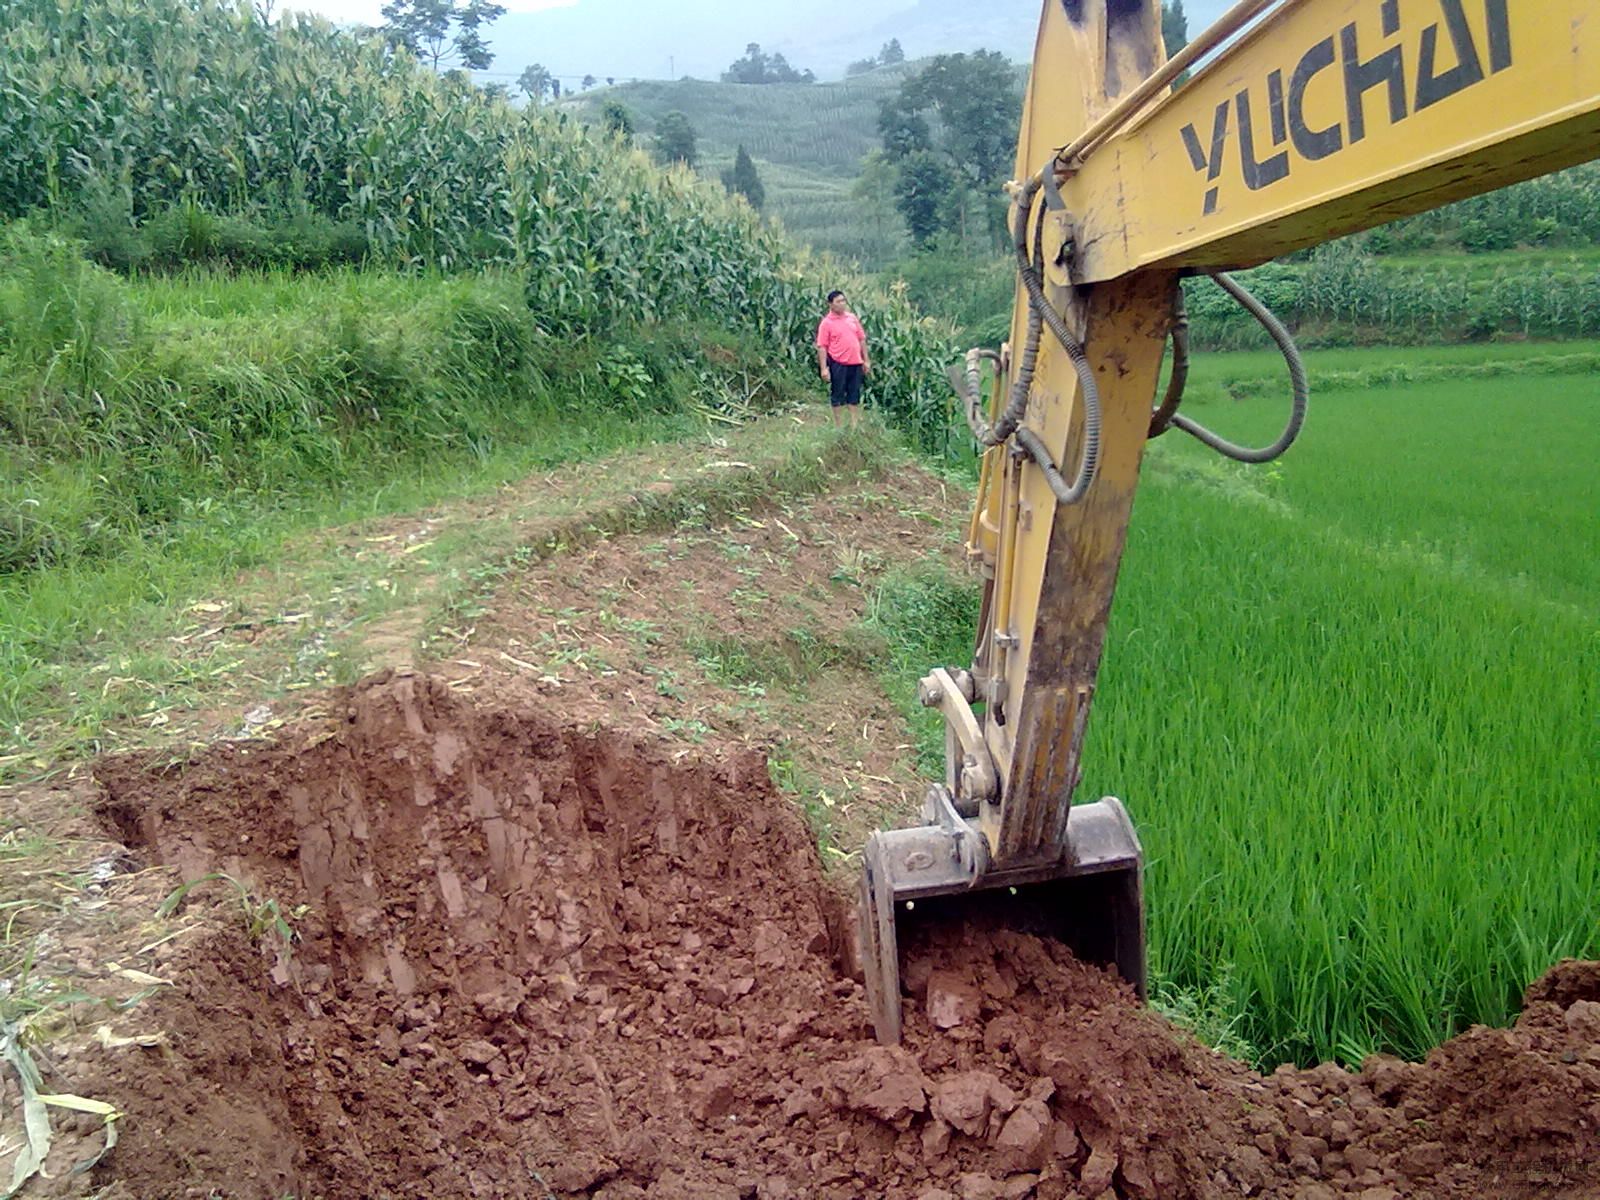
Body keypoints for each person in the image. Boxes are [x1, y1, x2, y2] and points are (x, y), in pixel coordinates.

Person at [814, 290, 871, 427]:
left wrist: (866, 360)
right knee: (837, 394)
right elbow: (822, 346)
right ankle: (839, 425)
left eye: (844, 301)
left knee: (854, 394)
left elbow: (861, 339)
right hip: (838, 363)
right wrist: (824, 368)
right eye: (838, 301)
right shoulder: (826, 323)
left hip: (855, 362)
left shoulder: (852, 318)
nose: (842, 304)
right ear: (830, 304)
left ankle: (854, 425)